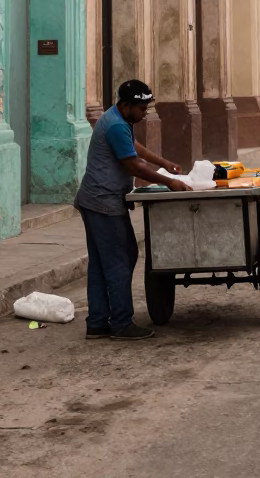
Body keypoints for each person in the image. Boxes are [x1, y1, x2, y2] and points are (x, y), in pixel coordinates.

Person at [75, 79, 188, 341]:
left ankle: (98, 322)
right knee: (120, 259)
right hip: (103, 203)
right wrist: (169, 182)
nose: (144, 113)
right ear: (126, 105)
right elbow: (133, 166)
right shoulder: (115, 124)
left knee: (104, 262)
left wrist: (164, 163)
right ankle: (121, 323)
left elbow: (134, 148)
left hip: (98, 201)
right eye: (141, 108)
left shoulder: (118, 120)